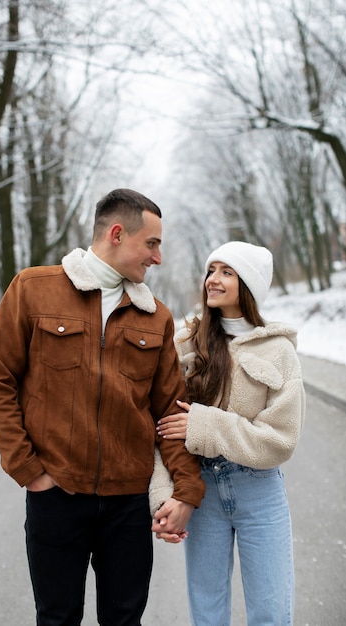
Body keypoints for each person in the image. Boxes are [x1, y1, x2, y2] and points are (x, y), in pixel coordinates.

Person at [0, 188, 205, 626]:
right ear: (117, 234)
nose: (157, 258)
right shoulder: (32, 289)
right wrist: (29, 470)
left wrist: (185, 491)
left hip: (127, 506)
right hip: (56, 497)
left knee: (124, 619)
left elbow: (171, 414)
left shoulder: (156, 317)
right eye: (152, 244)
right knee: (58, 617)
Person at [150, 241, 306, 626]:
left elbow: (280, 439)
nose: (212, 280)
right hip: (202, 490)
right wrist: (162, 495)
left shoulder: (279, 351)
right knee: (207, 614)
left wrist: (205, 425)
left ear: (248, 285)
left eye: (226, 272)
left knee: (271, 614)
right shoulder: (187, 343)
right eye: (210, 271)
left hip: (260, 491)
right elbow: (163, 429)